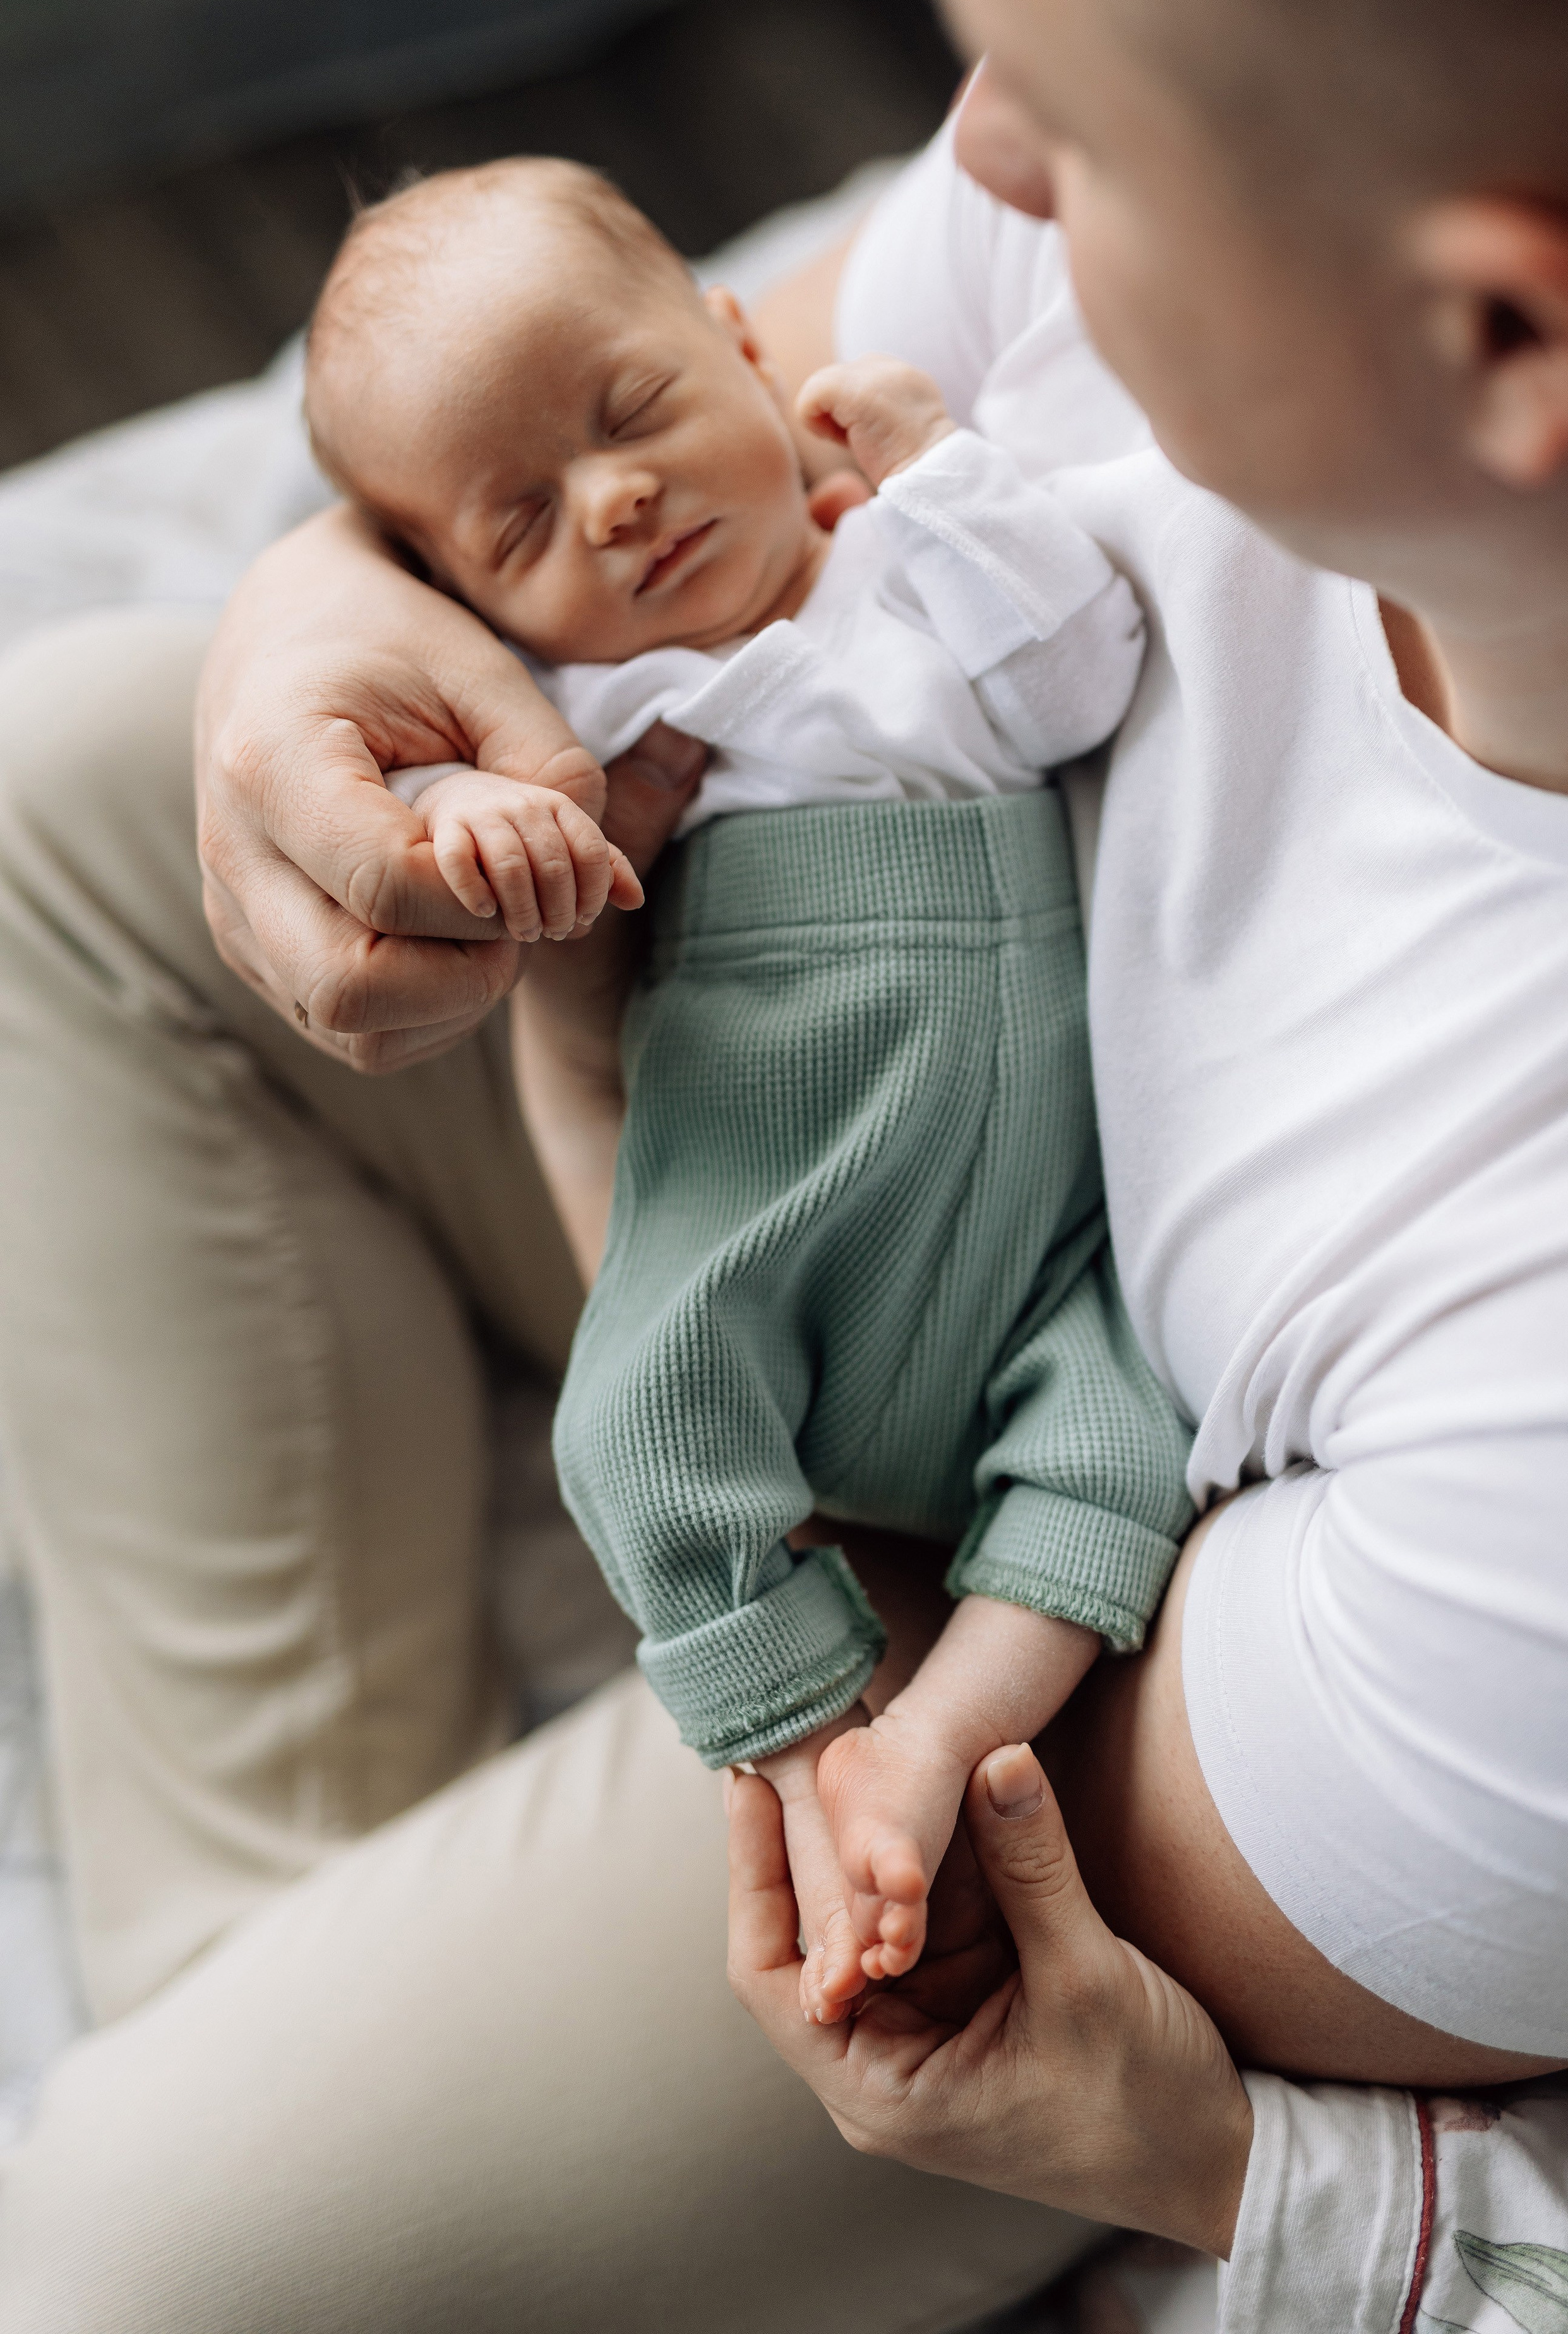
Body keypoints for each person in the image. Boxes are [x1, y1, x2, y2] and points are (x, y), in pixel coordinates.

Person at [0, 0, 1568, 2325]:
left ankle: (278, 2066)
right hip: (802, 1047)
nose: (962, 165)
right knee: (70, 790)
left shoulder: (1557, 1455)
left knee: (124, 2255)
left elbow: (934, 1689)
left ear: (1507, 336)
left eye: (1068, 130)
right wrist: (335, 626)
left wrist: (580, 1071)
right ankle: (305, 2041)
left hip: (989, 1505)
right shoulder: (1214, 246)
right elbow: (625, 410)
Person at [301, 153, 1188, 2009]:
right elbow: (443, 786)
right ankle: (801, 1747)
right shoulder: (609, 715)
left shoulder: (908, 567)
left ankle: (933, 1746)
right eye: (521, 525)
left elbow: (1082, 680)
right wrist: (479, 812)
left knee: (1118, 1446)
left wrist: (946, 473)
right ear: (470, 599)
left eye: (631, 416)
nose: (615, 508)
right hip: (771, 1203)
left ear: (737, 338)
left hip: (1041, 1244)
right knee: (637, 1424)